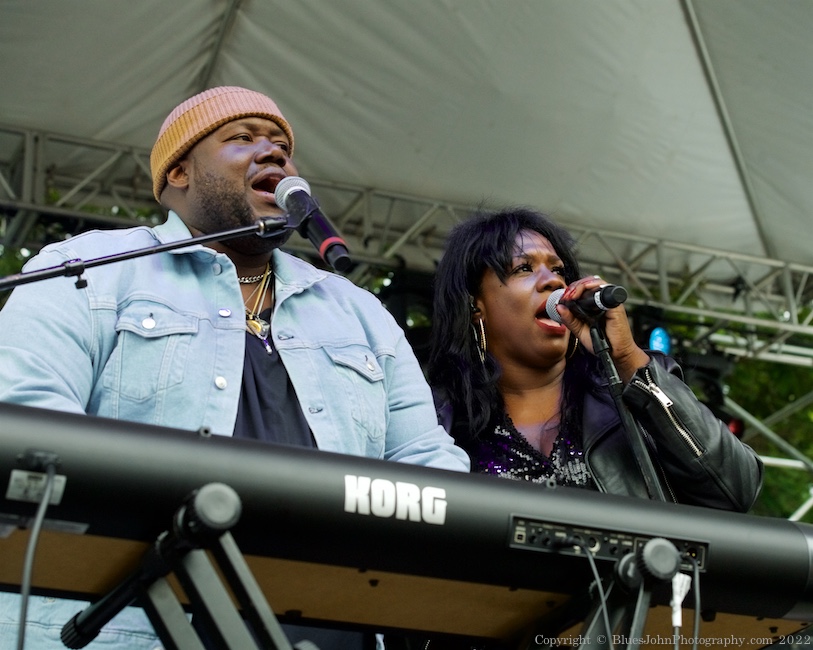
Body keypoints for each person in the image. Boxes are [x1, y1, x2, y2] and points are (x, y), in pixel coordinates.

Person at [0, 86, 470, 648]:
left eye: (282, 148)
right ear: (179, 172)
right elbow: (26, 416)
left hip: (334, 623)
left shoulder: (359, 312)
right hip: (137, 618)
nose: (273, 154)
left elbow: (426, 462)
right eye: (242, 138)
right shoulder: (90, 269)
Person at [427, 206, 762, 510]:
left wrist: (627, 360)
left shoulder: (633, 387)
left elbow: (738, 489)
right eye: (524, 268)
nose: (553, 281)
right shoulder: (438, 419)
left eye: (558, 270)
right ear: (475, 305)